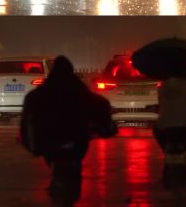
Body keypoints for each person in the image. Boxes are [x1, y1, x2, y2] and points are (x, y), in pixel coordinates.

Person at [20, 56, 116, 206]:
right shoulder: (81, 93)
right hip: (74, 142)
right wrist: (106, 128)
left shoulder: (37, 96)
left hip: (51, 143)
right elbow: (100, 107)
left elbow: (26, 123)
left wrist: (30, 142)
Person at [153, 76, 186, 160]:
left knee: (155, 130)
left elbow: (161, 103)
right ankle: (184, 147)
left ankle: (164, 149)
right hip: (184, 125)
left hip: (164, 125)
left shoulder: (162, 87)